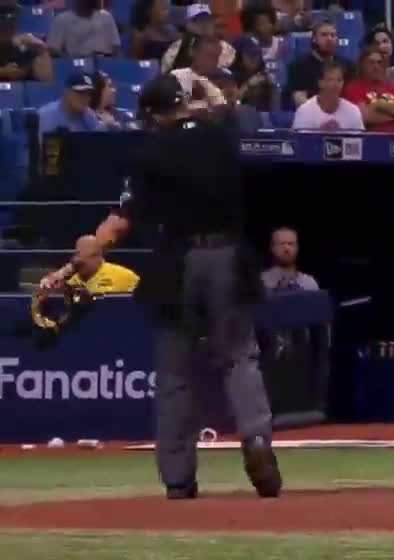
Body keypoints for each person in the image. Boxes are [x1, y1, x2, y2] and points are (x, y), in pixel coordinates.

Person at [40, 74, 283, 500]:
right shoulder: (220, 134)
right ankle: (257, 438)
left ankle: (178, 478)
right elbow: (219, 102)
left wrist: (82, 256)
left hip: (180, 262)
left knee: (175, 373)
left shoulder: (149, 151)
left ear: (152, 115)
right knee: (240, 358)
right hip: (228, 258)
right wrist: (200, 86)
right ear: (184, 103)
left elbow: (122, 219)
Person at [292, 62, 363, 130]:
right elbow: (300, 138)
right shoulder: (305, 111)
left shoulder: (353, 111)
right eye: (330, 79)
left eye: (339, 80)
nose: (336, 84)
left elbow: (359, 137)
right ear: (320, 83)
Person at [66, 234, 139, 295]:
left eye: (88, 256)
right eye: (78, 255)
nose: (78, 260)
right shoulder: (72, 281)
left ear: (98, 256)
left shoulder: (123, 275)